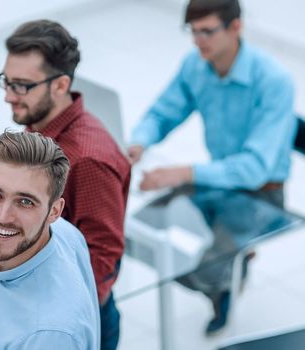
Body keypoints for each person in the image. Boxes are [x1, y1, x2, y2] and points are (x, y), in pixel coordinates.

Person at [0, 20, 130, 349]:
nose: (9, 95)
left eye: (22, 86)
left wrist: (16, 283)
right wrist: (5, 243)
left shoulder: (90, 160)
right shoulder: (38, 128)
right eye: (6, 82)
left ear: (60, 85)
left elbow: (101, 261)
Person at [127, 0, 296, 334]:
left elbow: (255, 168)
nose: (197, 40)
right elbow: (163, 111)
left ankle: (228, 276)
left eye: (207, 31)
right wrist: (140, 142)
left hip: (261, 192)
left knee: (203, 270)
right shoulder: (196, 65)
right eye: (192, 31)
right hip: (216, 180)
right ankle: (233, 258)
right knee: (147, 245)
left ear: (236, 27)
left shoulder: (274, 81)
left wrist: (184, 172)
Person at [0, 130, 99, 349]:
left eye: (25, 202)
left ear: (54, 211)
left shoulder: (47, 336)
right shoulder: (62, 232)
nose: (2, 216)